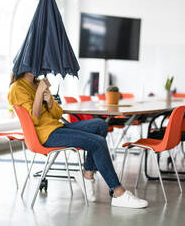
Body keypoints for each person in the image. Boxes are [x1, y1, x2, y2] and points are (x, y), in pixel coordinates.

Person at [8, 72, 148, 208]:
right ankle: (119, 193)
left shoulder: (39, 83)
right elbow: (34, 119)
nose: (39, 66)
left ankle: (87, 174)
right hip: (45, 136)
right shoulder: (17, 88)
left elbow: (57, 114)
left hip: (57, 128)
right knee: (98, 142)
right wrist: (39, 93)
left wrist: (49, 100)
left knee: (100, 125)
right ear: (25, 65)